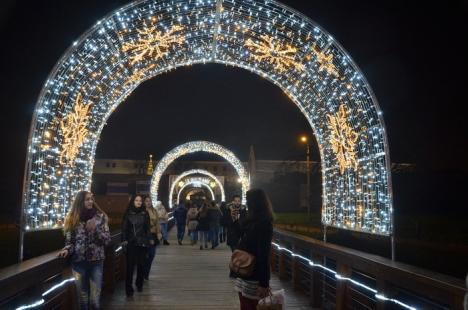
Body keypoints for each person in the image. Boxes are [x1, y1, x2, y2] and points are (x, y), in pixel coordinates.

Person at [58, 191, 110, 310]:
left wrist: (95, 229)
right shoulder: (72, 218)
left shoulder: (100, 217)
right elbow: (70, 241)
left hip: (96, 262)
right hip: (78, 262)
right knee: (82, 300)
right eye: (87, 199)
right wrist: (67, 249)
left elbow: (107, 240)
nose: (91, 201)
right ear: (80, 201)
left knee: (94, 301)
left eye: (92, 199)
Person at [233, 189, 274, 310]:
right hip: (253, 273)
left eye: (247, 199)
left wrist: (263, 283)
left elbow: (242, 238)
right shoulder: (264, 222)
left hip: (244, 270)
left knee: (246, 305)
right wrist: (264, 282)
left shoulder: (252, 220)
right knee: (252, 305)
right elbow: (263, 254)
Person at [121, 194, 153, 296]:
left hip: (142, 242)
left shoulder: (145, 213)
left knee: (141, 265)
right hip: (131, 243)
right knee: (130, 267)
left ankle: (139, 284)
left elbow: (147, 229)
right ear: (133, 202)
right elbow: (124, 229)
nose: (139, 202)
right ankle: (128, 288)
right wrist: (124, 240)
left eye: (140, 201)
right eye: (136, 200)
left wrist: (149, 239)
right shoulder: (128, 214)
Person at [143, 195, 161, 280]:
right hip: (144, 235)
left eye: (149, 201)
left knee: (151, 254)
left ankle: (146, 272)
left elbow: (157, 222)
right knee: (144, 255)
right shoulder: (142, 211)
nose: (148, 202)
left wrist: (158, 233)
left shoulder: (154, 211)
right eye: (146, 201)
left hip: (153, 235)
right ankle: (143, 273)